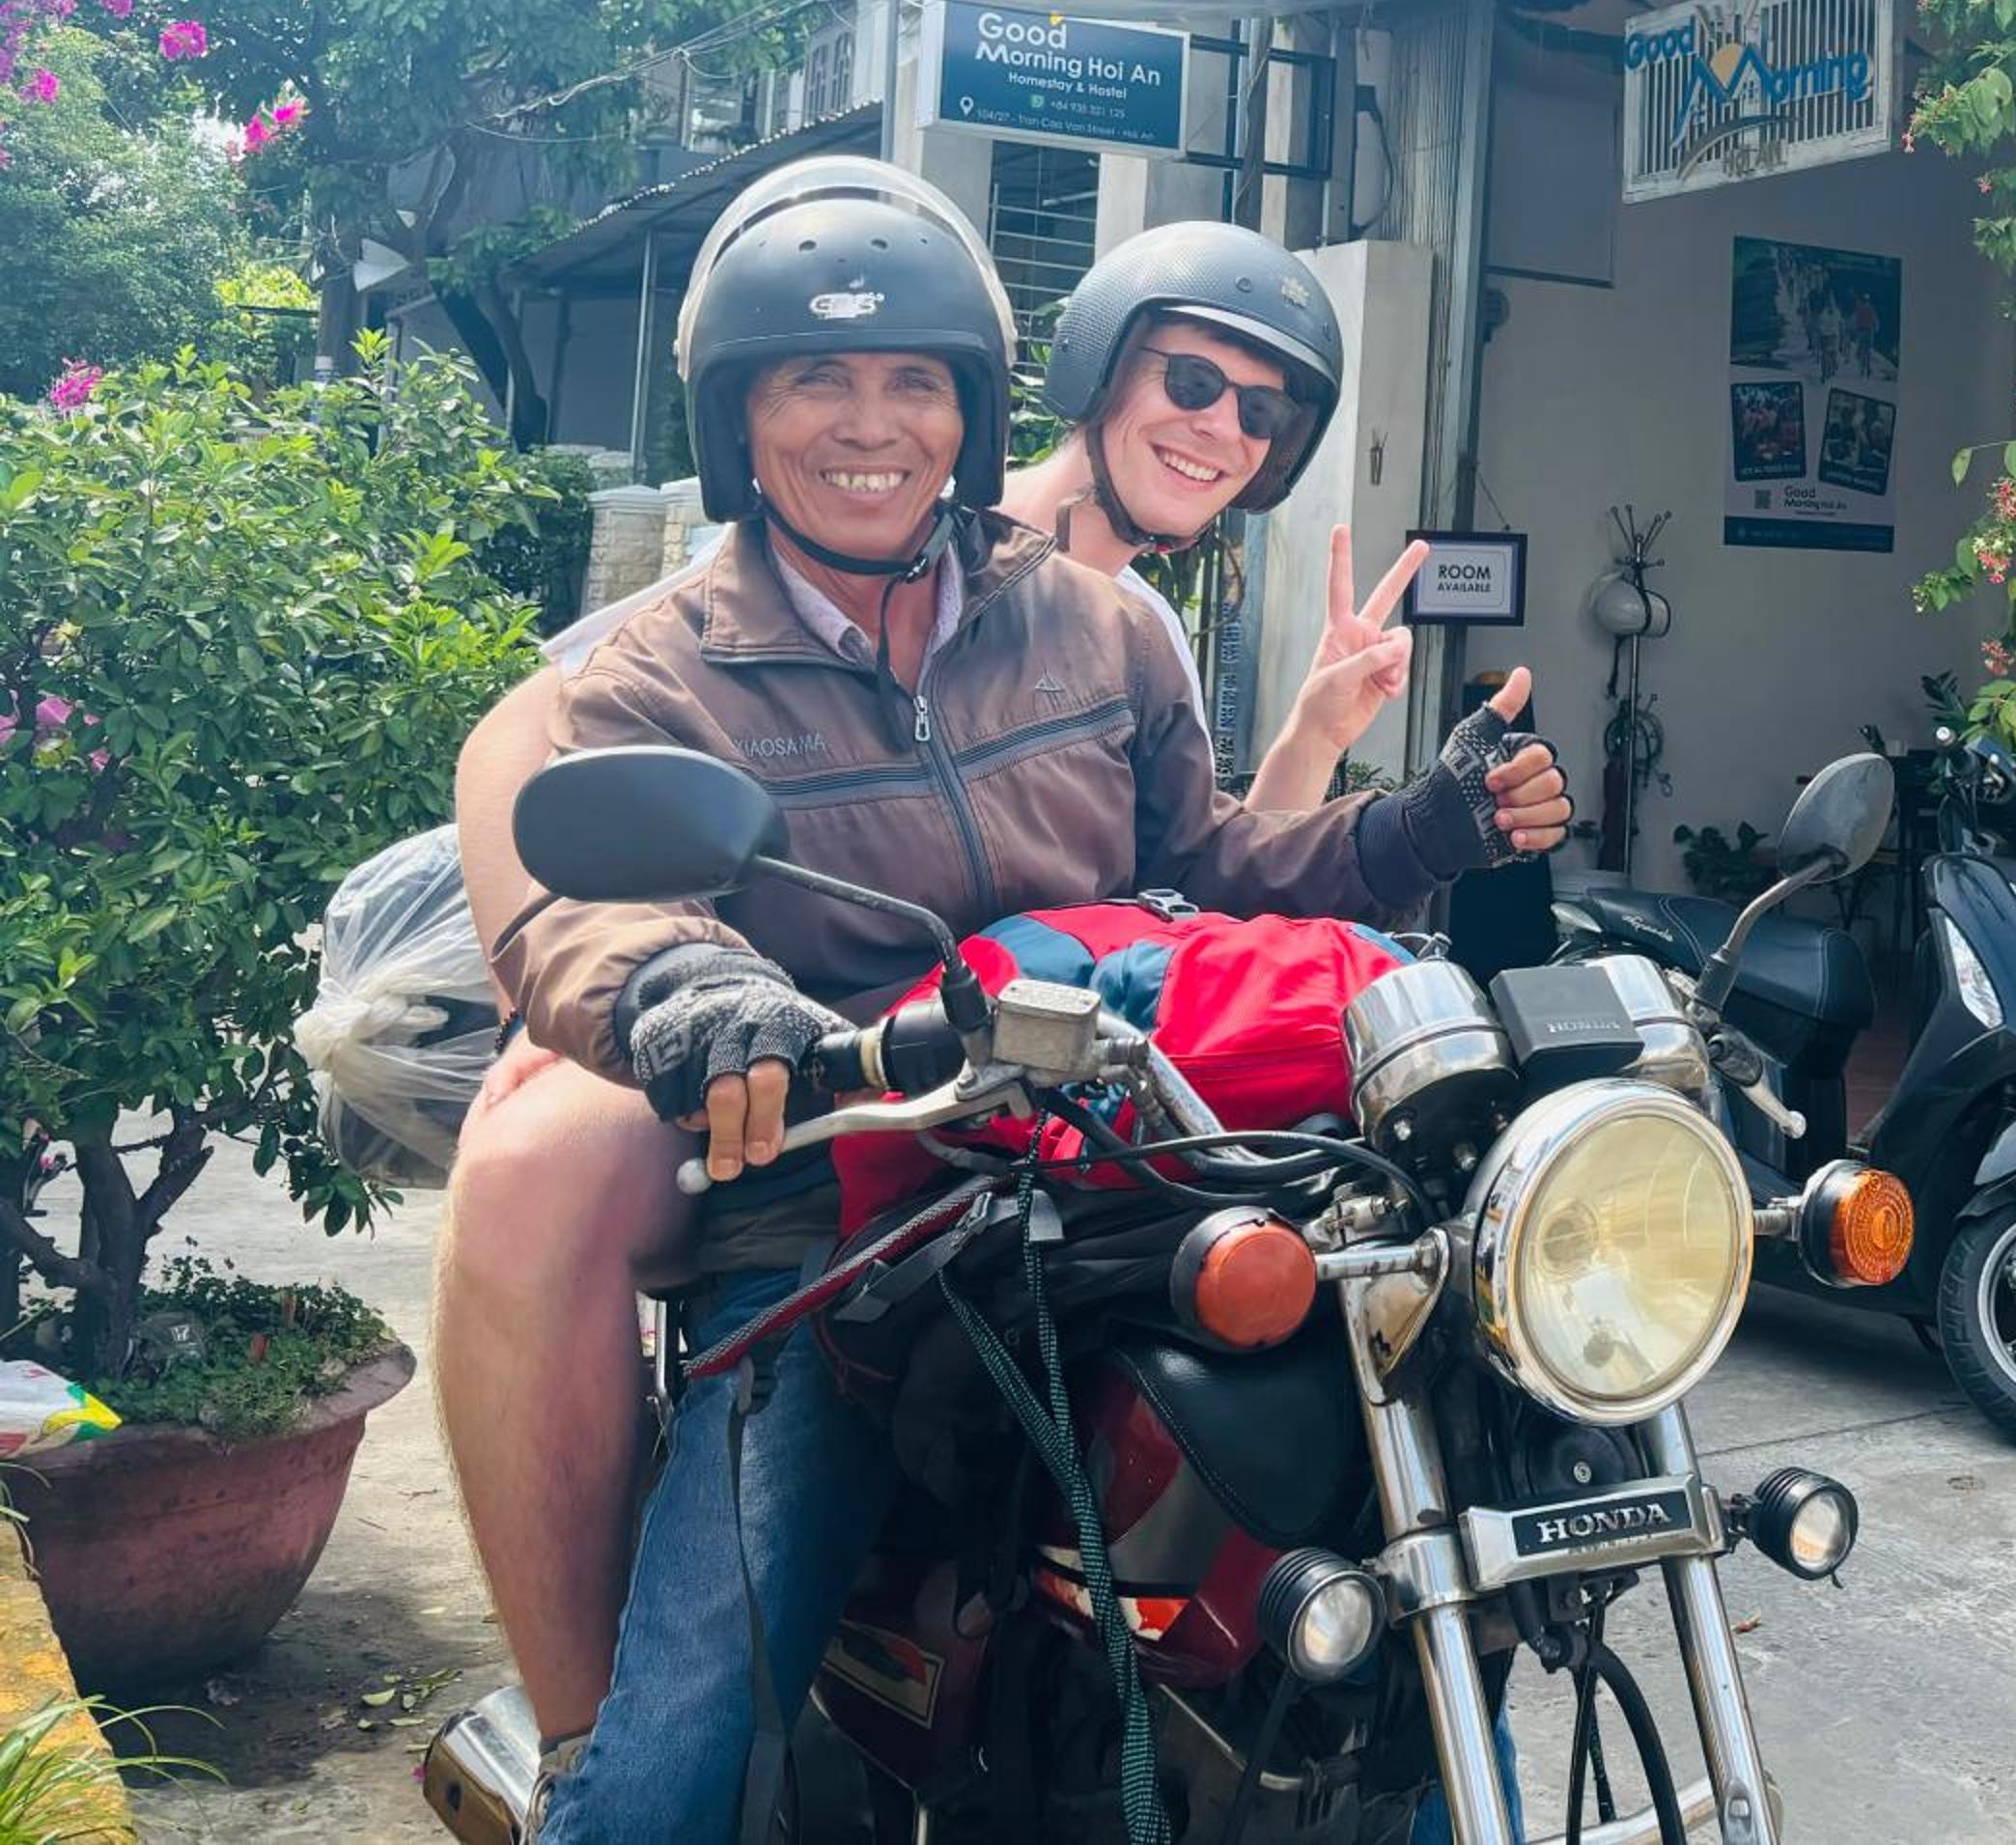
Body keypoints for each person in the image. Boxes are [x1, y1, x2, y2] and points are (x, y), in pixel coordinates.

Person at [437, 163, 1567, 1841]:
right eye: (814, 378)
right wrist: (695, 993)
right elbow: (592, 910)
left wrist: (1416, 830)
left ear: (970, 410)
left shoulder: (1098, 628)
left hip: (1127, 1181)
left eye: (914, 380)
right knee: (675, 1757)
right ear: (738, 414)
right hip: (853, 1229)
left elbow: (1210, 862)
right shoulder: (660, 675)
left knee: (1395, 1582)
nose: (868, 425)